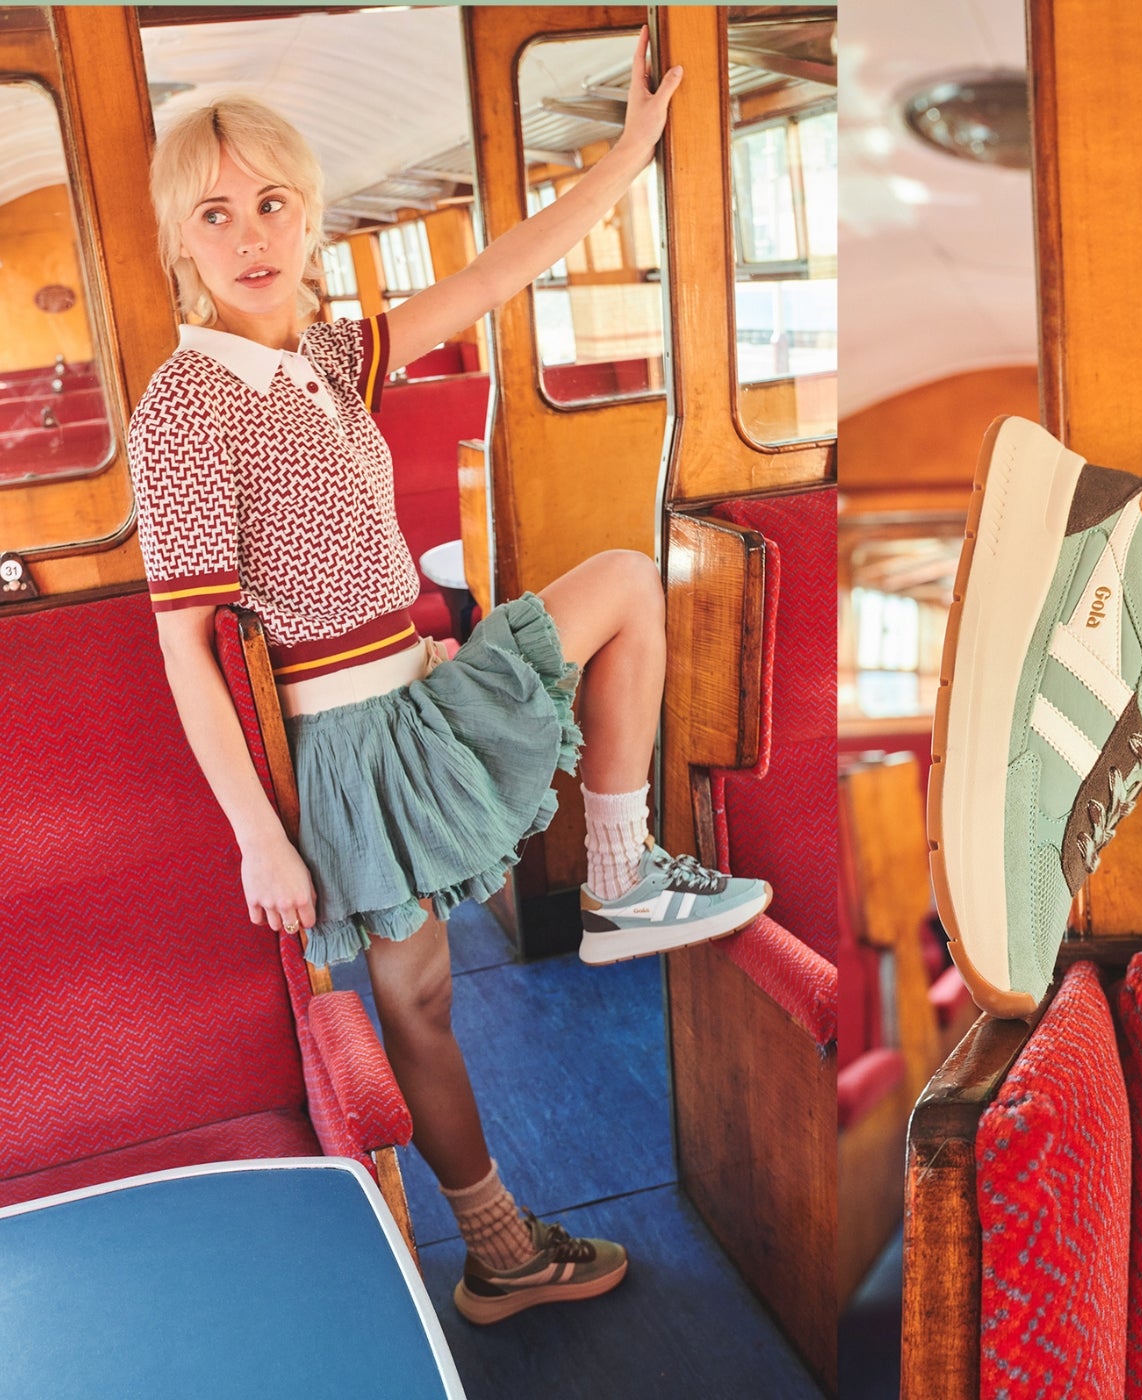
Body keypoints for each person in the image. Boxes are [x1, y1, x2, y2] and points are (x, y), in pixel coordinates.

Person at [133, 34, 768, 1324]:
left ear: (310, 215)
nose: (250, 235)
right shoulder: (185, 405)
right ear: (179, 243)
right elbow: (186, 646)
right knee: (417, 997)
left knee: (627, 585)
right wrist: (259, 835)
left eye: (271, 202)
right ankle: (497, 1248)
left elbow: (494, 272)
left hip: (414, 683)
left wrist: (629, 158)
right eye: (215, 214)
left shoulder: (330, 359)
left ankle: (619, 870)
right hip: (342, 741)